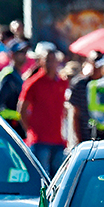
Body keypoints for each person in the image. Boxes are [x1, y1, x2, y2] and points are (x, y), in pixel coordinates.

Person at [17, 42, 69, 175]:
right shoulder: (33, 83)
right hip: (39, 140)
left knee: (58, 178)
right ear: (40, 61)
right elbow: (22, 109)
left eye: (53, 60)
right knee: (41, 177)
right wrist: (30, 129)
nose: (51, 63)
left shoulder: (62, 82)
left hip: (58, 140)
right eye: (47, 60)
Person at [0, 41, 29, 137]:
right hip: (11, 126)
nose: (24, 55)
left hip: (15, 125)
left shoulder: (16, 74)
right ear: (12, 55)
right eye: (20, 52)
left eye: (24, 52)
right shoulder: (9, 76)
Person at [67, 51, 103, 146]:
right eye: (94, 61)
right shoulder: (79, 84)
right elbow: (75, 113)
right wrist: (78, 139)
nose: (97, 65)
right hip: (85, 135)